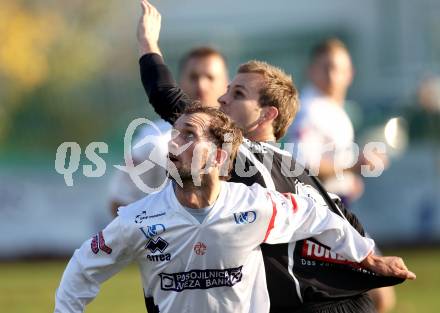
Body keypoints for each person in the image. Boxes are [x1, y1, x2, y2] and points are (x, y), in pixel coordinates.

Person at [137, 2, 404, 312]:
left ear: (267, 114)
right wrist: (371, 259)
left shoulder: (243, 154)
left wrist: (147, 42)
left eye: (238, 94)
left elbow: (167, 98)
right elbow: (348, 220)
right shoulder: (298, 169)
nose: (221, 98)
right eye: (228, 90)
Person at [54, 105, 415, 313]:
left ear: (221, 155)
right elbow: (83, 267)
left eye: (189, 135)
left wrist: (368, 258)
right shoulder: (139, 219)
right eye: (175, 133)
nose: (174, 142)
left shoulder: (255, 206)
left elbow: (318, 215)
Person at [285, 38, 395, 312]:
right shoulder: (311, 110)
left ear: (350, 73)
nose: (333, 75)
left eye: (339, 68)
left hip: (335, 212)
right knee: (379, 292)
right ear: (312, 70)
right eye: (326, 67)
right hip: (321, 220)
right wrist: (354, 164)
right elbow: (302, 164)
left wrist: (347, 180)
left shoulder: (332, 110)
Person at [108, 46, 229, 216]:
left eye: (210, 77)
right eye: (193, 77)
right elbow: (119, 202)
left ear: (226, 84)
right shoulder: (152, 139)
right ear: (179, 82)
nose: (201, 85)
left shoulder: (239, 138)